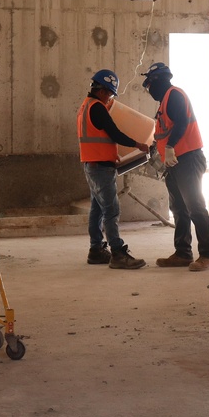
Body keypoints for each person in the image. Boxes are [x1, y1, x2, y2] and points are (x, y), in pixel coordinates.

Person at [141, 62, 209, 272]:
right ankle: (183, 253)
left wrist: (171, 147)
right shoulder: (164, 102)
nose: (149, 91)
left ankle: (208, 255)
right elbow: (165, 131)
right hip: (174, 161)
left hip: (188, 159)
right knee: (179, 208)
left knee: (195, 206)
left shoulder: (174, 95)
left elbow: (182, 122)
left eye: (149, 86)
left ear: (157, 81)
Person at [77, 69, 150, 269]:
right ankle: (117, 253)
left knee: (98, 209)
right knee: (111, 210)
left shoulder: (86, 105)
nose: (110, 97)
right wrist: (139, 144)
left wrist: (109, 153)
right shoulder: (98, 107)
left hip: (92, 165)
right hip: (100, 168)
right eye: (109, 93)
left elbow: (100, 137)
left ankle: (96, 250)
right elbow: (115, 133)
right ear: (101, 90)